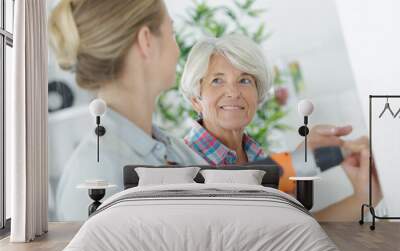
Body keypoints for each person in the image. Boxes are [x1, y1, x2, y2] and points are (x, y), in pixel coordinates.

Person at [180, 35, 382, 220]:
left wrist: (363, 197)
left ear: (258, 97)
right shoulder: (181, 167)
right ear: (195, 99)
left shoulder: (258, 156)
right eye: (217, 80)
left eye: (244, 80)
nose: (233, 92)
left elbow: (295, 234)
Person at [49, 0, 207, 221]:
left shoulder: (173, 150)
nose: (177, 50)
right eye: (171, 33)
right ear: (146, 41)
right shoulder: (96, 175)